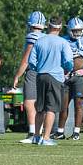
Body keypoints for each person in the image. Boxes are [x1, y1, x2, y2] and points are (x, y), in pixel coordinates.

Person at [30, 16, 74, 146]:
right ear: (60, 28)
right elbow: (68, 62)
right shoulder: (63, 42)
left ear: (48, 26)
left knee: (40, 108)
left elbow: (31, 61)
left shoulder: (39, 41)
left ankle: (36, 136)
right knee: (51, 108)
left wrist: (38, 68)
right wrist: (68, 69)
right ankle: (46, 137)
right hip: (55, 77)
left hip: (41, 75)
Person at [10, 11, 46, 143]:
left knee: (29, 102)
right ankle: (40, 132)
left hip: (33, 71)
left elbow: (26, 59)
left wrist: (17, 76)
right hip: (46, 72)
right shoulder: (46, 37)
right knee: (41, 104)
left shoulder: (32, 37)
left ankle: (33, 133)